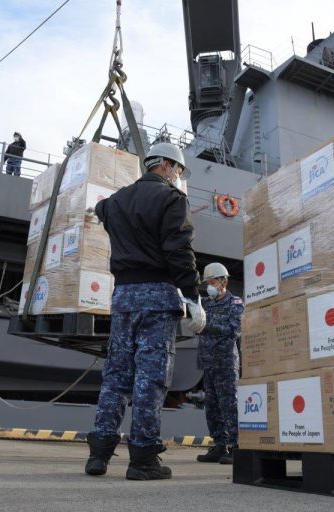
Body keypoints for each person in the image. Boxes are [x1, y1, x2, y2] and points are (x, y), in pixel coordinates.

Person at [85, 142, 206, 481]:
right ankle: (142, 459)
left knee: (116, 375)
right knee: (150, 379)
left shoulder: (114, 202)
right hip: (157, 296)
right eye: (178, 171)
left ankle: (99, 453)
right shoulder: (172, 199)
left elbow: (101, 210)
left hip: (123, 296)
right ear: (166, 166)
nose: (178, 177)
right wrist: (193, 296)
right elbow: (178, 249)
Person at [195, 262, 243, 465]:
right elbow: (193, 312)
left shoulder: (236, 303)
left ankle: (236, 446)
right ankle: (219, 445)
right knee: (212, 406)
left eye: (213, 281)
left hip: (225, 363)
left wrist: (206, 326)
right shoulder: (205, 303)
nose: (210, 285)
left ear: (224, 281)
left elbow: (234, 329)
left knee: (229, 405)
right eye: (207, 282)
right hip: (208, 362)